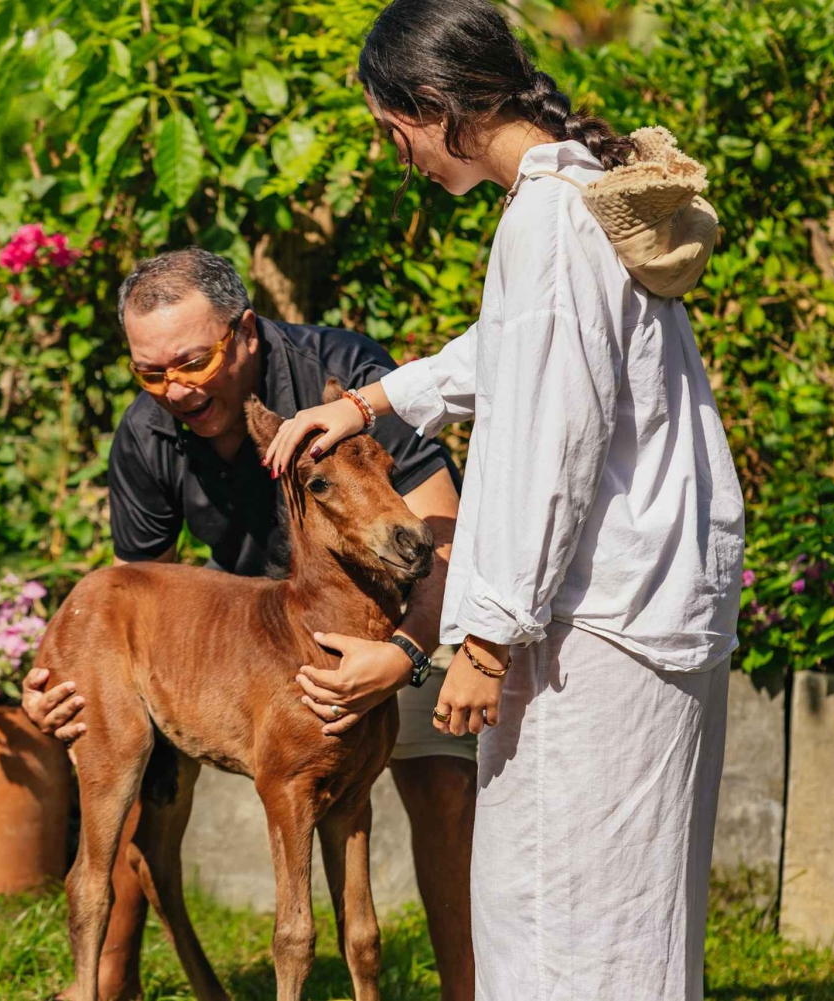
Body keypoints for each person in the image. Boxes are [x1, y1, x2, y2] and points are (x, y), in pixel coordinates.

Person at [262, 1, 746, 999]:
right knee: (622, 910)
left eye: (390, 130)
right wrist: (367, 399)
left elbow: (550, 445)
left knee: (567, 921)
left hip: (598, 631)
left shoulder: (547, 223)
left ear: (434, 106)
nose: (394, 153)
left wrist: (484, 639)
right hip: (637, 612)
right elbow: (516, 355)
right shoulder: (576, 200)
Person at [21, 247, 477, 1001]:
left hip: (410, 609)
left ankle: (468, 988)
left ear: (247, 334)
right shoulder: (147, 435)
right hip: (264, 633)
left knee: (438, 778)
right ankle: (108, 977)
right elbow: (143, 591)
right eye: (151, 372)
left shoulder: (343, 375)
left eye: (193, 361)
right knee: (137, 773)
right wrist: (70, 683)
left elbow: (441, 534)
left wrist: (402, 656)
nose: (175, 388)